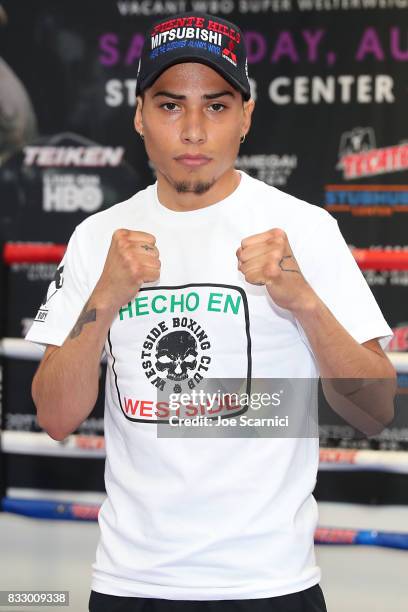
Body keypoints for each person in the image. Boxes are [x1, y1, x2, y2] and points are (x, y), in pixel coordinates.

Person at [26, 11, 396, 612]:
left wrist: (303, 301)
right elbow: (55, 415)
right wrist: (102, 300)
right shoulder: (97, 238)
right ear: (140, 115)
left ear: (246, 115)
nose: (193, 131)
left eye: (217, 106)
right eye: (171, 106)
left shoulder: (305, 229)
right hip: (131, 583)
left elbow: (377, 409)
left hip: (269, 584)